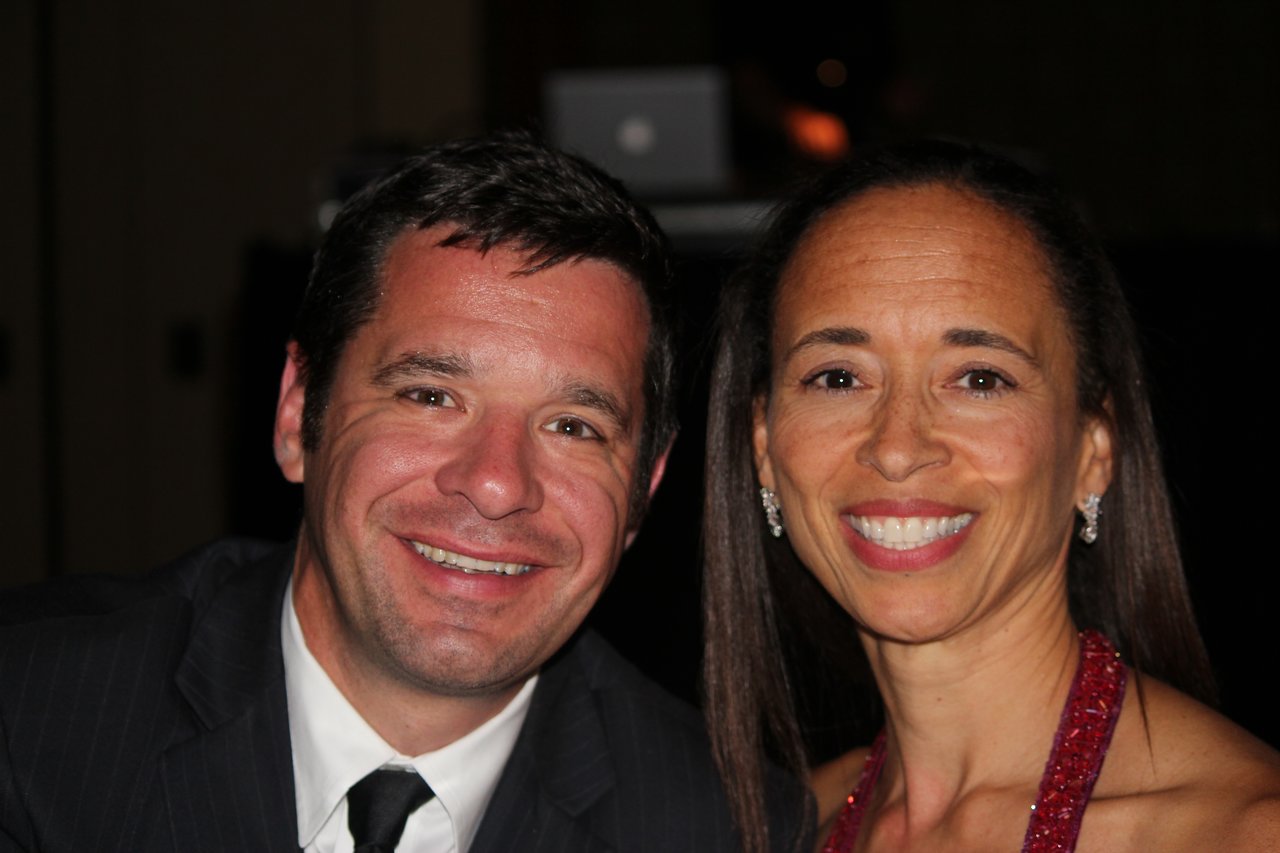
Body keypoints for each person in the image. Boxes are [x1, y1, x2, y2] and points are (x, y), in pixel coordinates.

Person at [0, 132, 804, 852]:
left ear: (644, 487)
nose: (495, 483)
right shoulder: (32, 716)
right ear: (295, 411)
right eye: (430, 395)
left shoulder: (727, 830)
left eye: (573, 426)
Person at [702, 140, 1280, 852]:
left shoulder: (1243, 830)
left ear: (1094, 451)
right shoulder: (772, 826)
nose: (898, 446)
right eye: (837, 377)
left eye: (979, 378)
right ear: (763, 445)